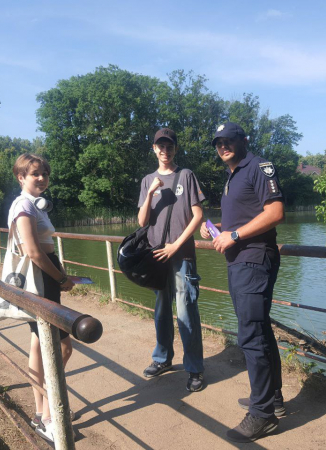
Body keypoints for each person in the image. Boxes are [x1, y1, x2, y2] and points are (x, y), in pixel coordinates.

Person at [200, 122, 285, 443]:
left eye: (229, 140)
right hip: (239, 261)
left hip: (254, 260)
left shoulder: (259, 167)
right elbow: (245, 218)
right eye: (218, 142)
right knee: (259, 330)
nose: (223, 146)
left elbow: (275, 212)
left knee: (250, 335)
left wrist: (234, 235)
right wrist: (219, 228)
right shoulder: (233, 175)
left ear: (243, 141)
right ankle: (272, 397)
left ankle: (262, 415)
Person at [7, 154, 75, 443]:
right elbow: (34, 252)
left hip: (44, 279)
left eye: (45, 173)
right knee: (63, 348)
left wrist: (59, 274)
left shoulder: (34, 205)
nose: (42, 178)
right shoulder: (23, 205)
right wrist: (60, 278)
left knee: (38, 343)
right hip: (40, 281)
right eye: (35, 173)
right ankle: (49, 417)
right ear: (21, 177)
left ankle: (40, 413)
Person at [137, 128, 205, 392]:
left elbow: (198, 216)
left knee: (186, 311)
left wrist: (176, 245)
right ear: (154, 149)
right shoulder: (147, 181)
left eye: (169, 146)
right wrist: (151, 193)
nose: (165, 151)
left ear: (175, 149)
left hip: (181, 254)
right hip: (156, 255)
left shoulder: (186, 175)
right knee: (162, 310)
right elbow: (142, 222)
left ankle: (195, 368)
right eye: (160, 146)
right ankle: (162, 358)